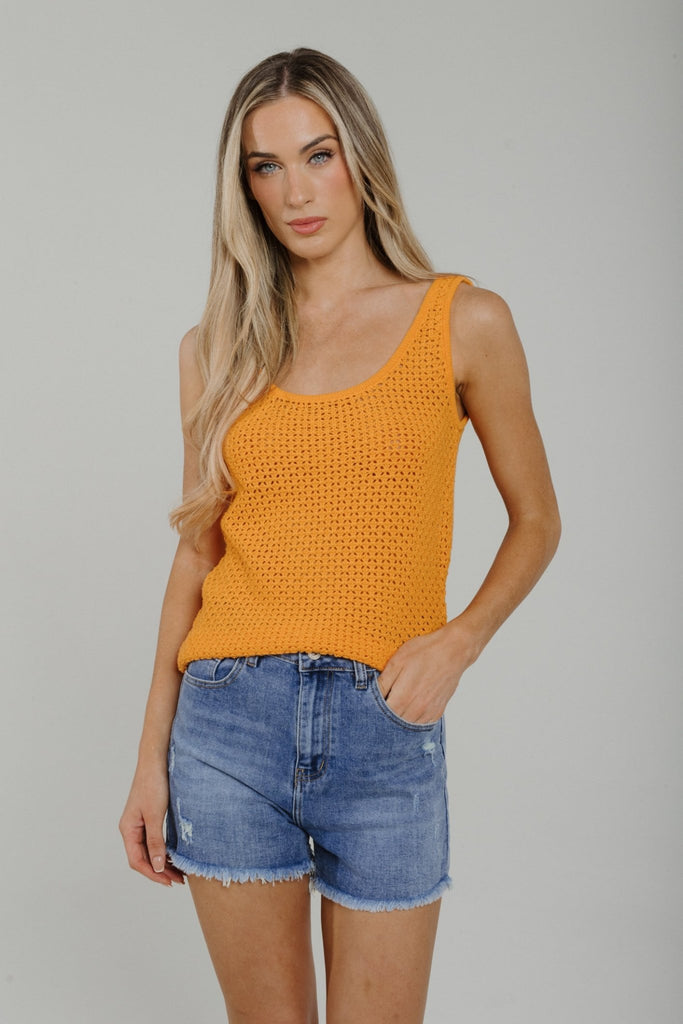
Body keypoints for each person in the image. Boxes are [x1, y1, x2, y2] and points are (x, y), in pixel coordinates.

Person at [119, 46, 561, 1024]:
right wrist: (149, 760)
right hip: (225, 727)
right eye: (264, 167)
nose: (294, 192)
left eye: (317, 155)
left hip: (383, 731)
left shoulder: (463, 321)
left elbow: (537, 520)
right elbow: (197, 551)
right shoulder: (215, 348)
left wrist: (458, 640)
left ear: (359, 155)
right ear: (243, 188)